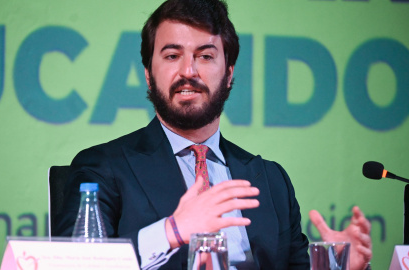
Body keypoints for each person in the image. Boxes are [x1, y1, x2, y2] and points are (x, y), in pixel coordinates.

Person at [56, 0, 372, 269]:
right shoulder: (103, 166)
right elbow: (76, 263)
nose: (189, 71)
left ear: (229, 75)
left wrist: (337, 263)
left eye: (205, 56)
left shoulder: (271, 179)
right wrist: (171, 231)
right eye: (171, 56)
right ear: (149, 76)